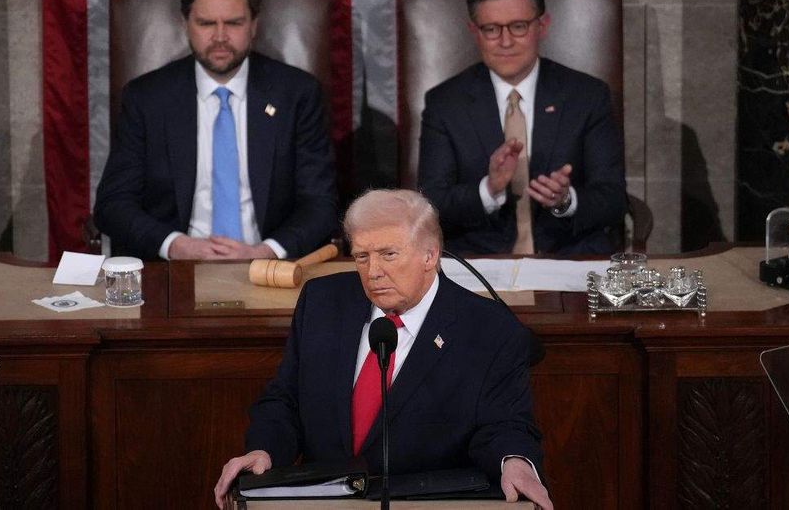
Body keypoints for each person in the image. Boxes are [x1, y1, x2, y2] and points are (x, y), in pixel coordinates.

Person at [213, 189, 552, 509]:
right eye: (362, 256)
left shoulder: (489, 329)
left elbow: (505, 424)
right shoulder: (322, 303)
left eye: (389, 254)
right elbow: (285, 400)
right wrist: (265, 450)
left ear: (430, 255)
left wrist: (516, 461)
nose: (373, 272)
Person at [94, 0, 337, 261]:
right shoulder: (147, 98)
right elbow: (113, 204)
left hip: (269, 269)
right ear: (186, 24)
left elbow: (320, 203)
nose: (220, 36)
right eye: (206, 23)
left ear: (254, 25)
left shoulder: (296, 94)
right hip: (176, 271)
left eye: (233, 23)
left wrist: (267, 252)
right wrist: (174, 245)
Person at [418, 0, 626, 256]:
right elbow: (431, 203)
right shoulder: (445, 103)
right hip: (479, 260)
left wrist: (566, 200)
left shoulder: (587, 96)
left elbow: (613, 198)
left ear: (542, 26)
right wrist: (488, 189)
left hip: (569, 254)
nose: (505, 41)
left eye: (518, 26)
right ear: (474, 33)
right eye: (491, 29)